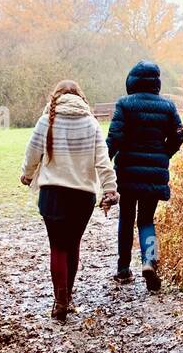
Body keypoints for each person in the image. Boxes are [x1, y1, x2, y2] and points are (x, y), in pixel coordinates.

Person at [20, 80, 118, 322]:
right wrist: (110, 189)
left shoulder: (47, 121)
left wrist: (27, 174)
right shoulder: (91, 123)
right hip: (82, 196)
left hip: (52, 194)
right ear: (80, 97)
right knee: (73, 245)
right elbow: (103, 161)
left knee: (57, 247)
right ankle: (68, 296)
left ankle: (60, 299)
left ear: (56, 97)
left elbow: (32, 153)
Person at [106, 60, 183, 291]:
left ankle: (123, 269)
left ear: (132, 81)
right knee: (147, 220)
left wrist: (103, 163)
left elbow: (114, 138)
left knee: (127, 218)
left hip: (127, 171)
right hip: (154, 173)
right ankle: (149, 262)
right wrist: (165, 153)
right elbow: (179, 134)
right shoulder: (168, 106)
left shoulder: (124, 104)